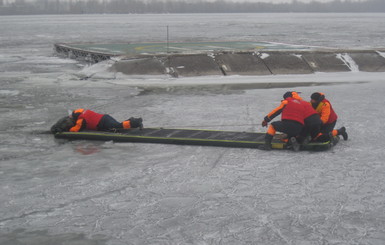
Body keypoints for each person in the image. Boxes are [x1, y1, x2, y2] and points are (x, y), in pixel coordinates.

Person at [50, 108, 143, 133]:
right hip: (104, 118)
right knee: (118, 125)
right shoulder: (82, 112)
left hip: (103, 122)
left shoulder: (81, 119)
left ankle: (134, 122)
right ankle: (132, 122)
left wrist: (67, 130)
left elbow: (76, 129)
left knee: (119, 126)